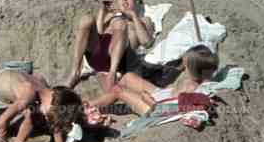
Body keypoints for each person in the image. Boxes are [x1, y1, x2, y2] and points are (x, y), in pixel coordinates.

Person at [65, 0, 155, 91]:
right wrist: (103, 10)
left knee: (120, 24)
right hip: (99, 57)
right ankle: (75, 72)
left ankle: (111, 75)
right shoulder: (111, 17)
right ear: (117, 3)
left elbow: (146, 42)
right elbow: (99, 32)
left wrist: (133, 16)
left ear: (135, 0)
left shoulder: (144, 20)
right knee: (86, 19)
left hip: (121, 60)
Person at [88, 45, 219, 114]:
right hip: (159, 94)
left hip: (152, 107)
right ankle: (100, 103)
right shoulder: (197, 80)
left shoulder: (192, 89)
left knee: (118, 90)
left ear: (191, 68)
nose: (183, 68)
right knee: (127, 77)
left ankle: (86, 107)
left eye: (185, 65)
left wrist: (147, 99)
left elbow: (169, 110)